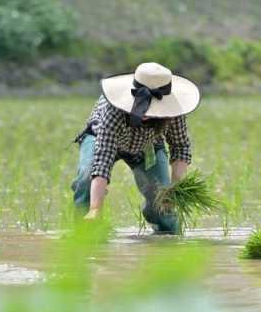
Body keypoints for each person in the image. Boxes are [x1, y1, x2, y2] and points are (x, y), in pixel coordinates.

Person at [71, 62, 200, 234]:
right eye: (143, 105)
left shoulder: (173, 111)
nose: (146, 112)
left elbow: (180, 146)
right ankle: (85, 232)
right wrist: (95, 209)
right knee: (86, 179)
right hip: (101, 138)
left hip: (148, 144)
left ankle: (168, 238)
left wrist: (174, 190)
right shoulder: (114, 109)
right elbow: (102, 158)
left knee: (160, 200)